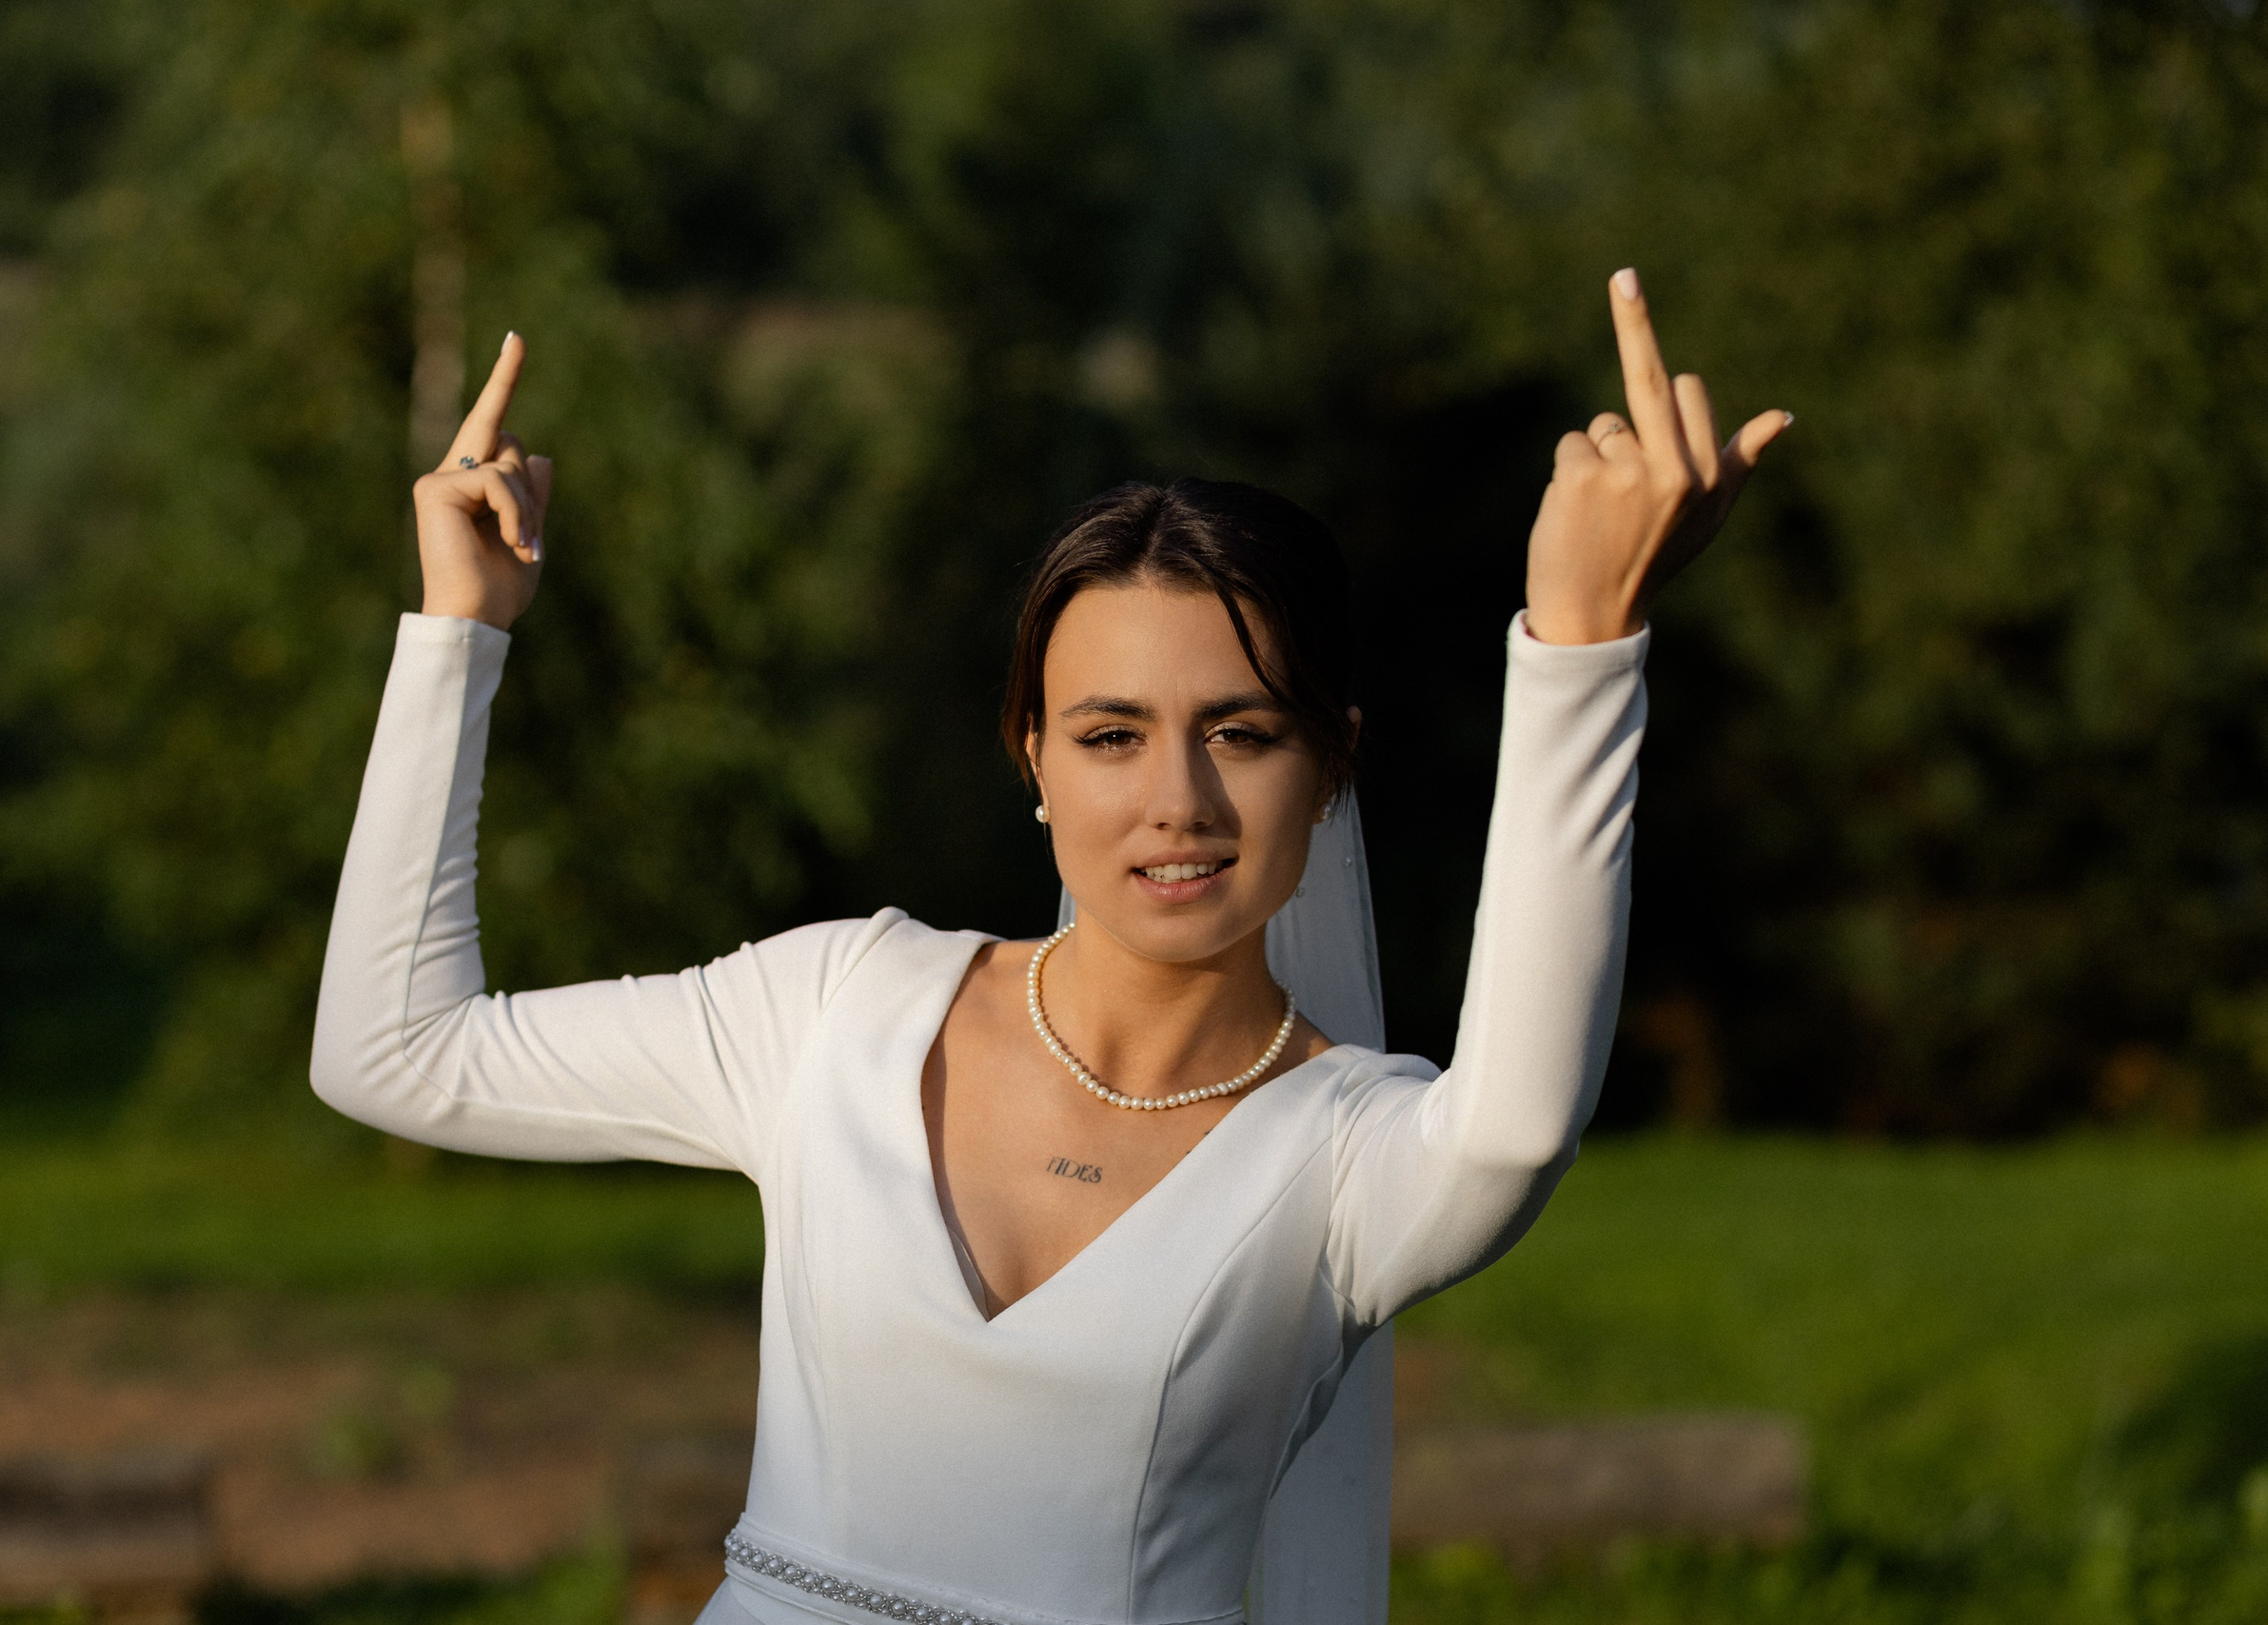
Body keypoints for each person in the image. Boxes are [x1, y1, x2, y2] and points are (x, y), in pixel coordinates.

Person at [311, 268, 1788, 1625]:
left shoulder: (1347, 1159)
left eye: (1243, 733)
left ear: (1331, 767)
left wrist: (1582, 641)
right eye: (1110, 735)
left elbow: (1523, 1125)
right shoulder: (838, 1006)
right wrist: (459, 635)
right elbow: (394, 1053)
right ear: (1032, 757)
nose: (1177, 803)